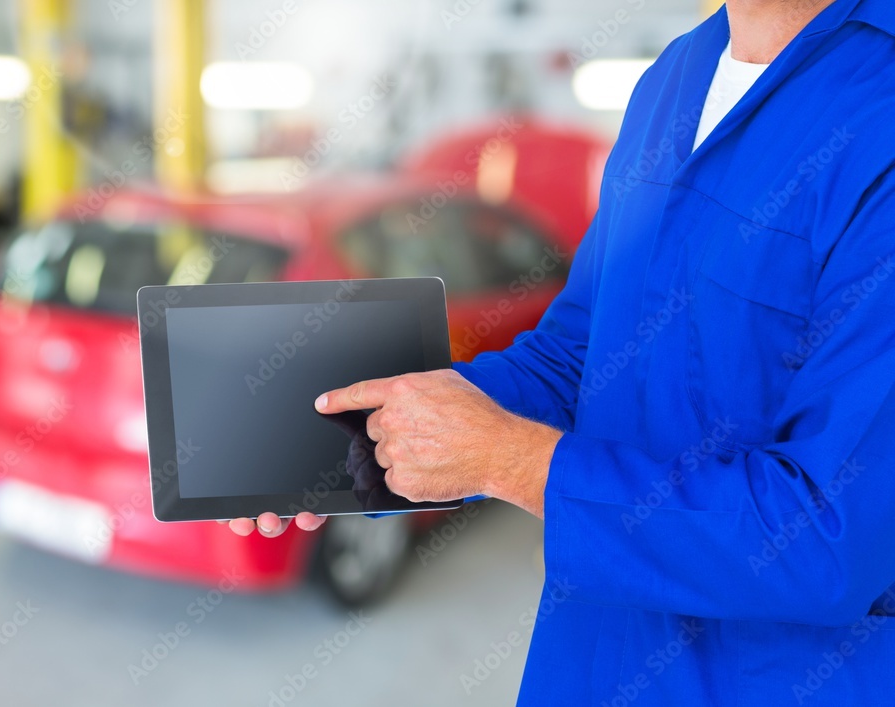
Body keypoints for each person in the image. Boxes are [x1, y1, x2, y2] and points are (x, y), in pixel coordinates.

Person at [228, 0, 895, 703]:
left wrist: (515, 460)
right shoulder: (673, 78)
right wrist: (356, 441)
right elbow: (577, 357)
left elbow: (830, 535)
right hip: (586, 664)